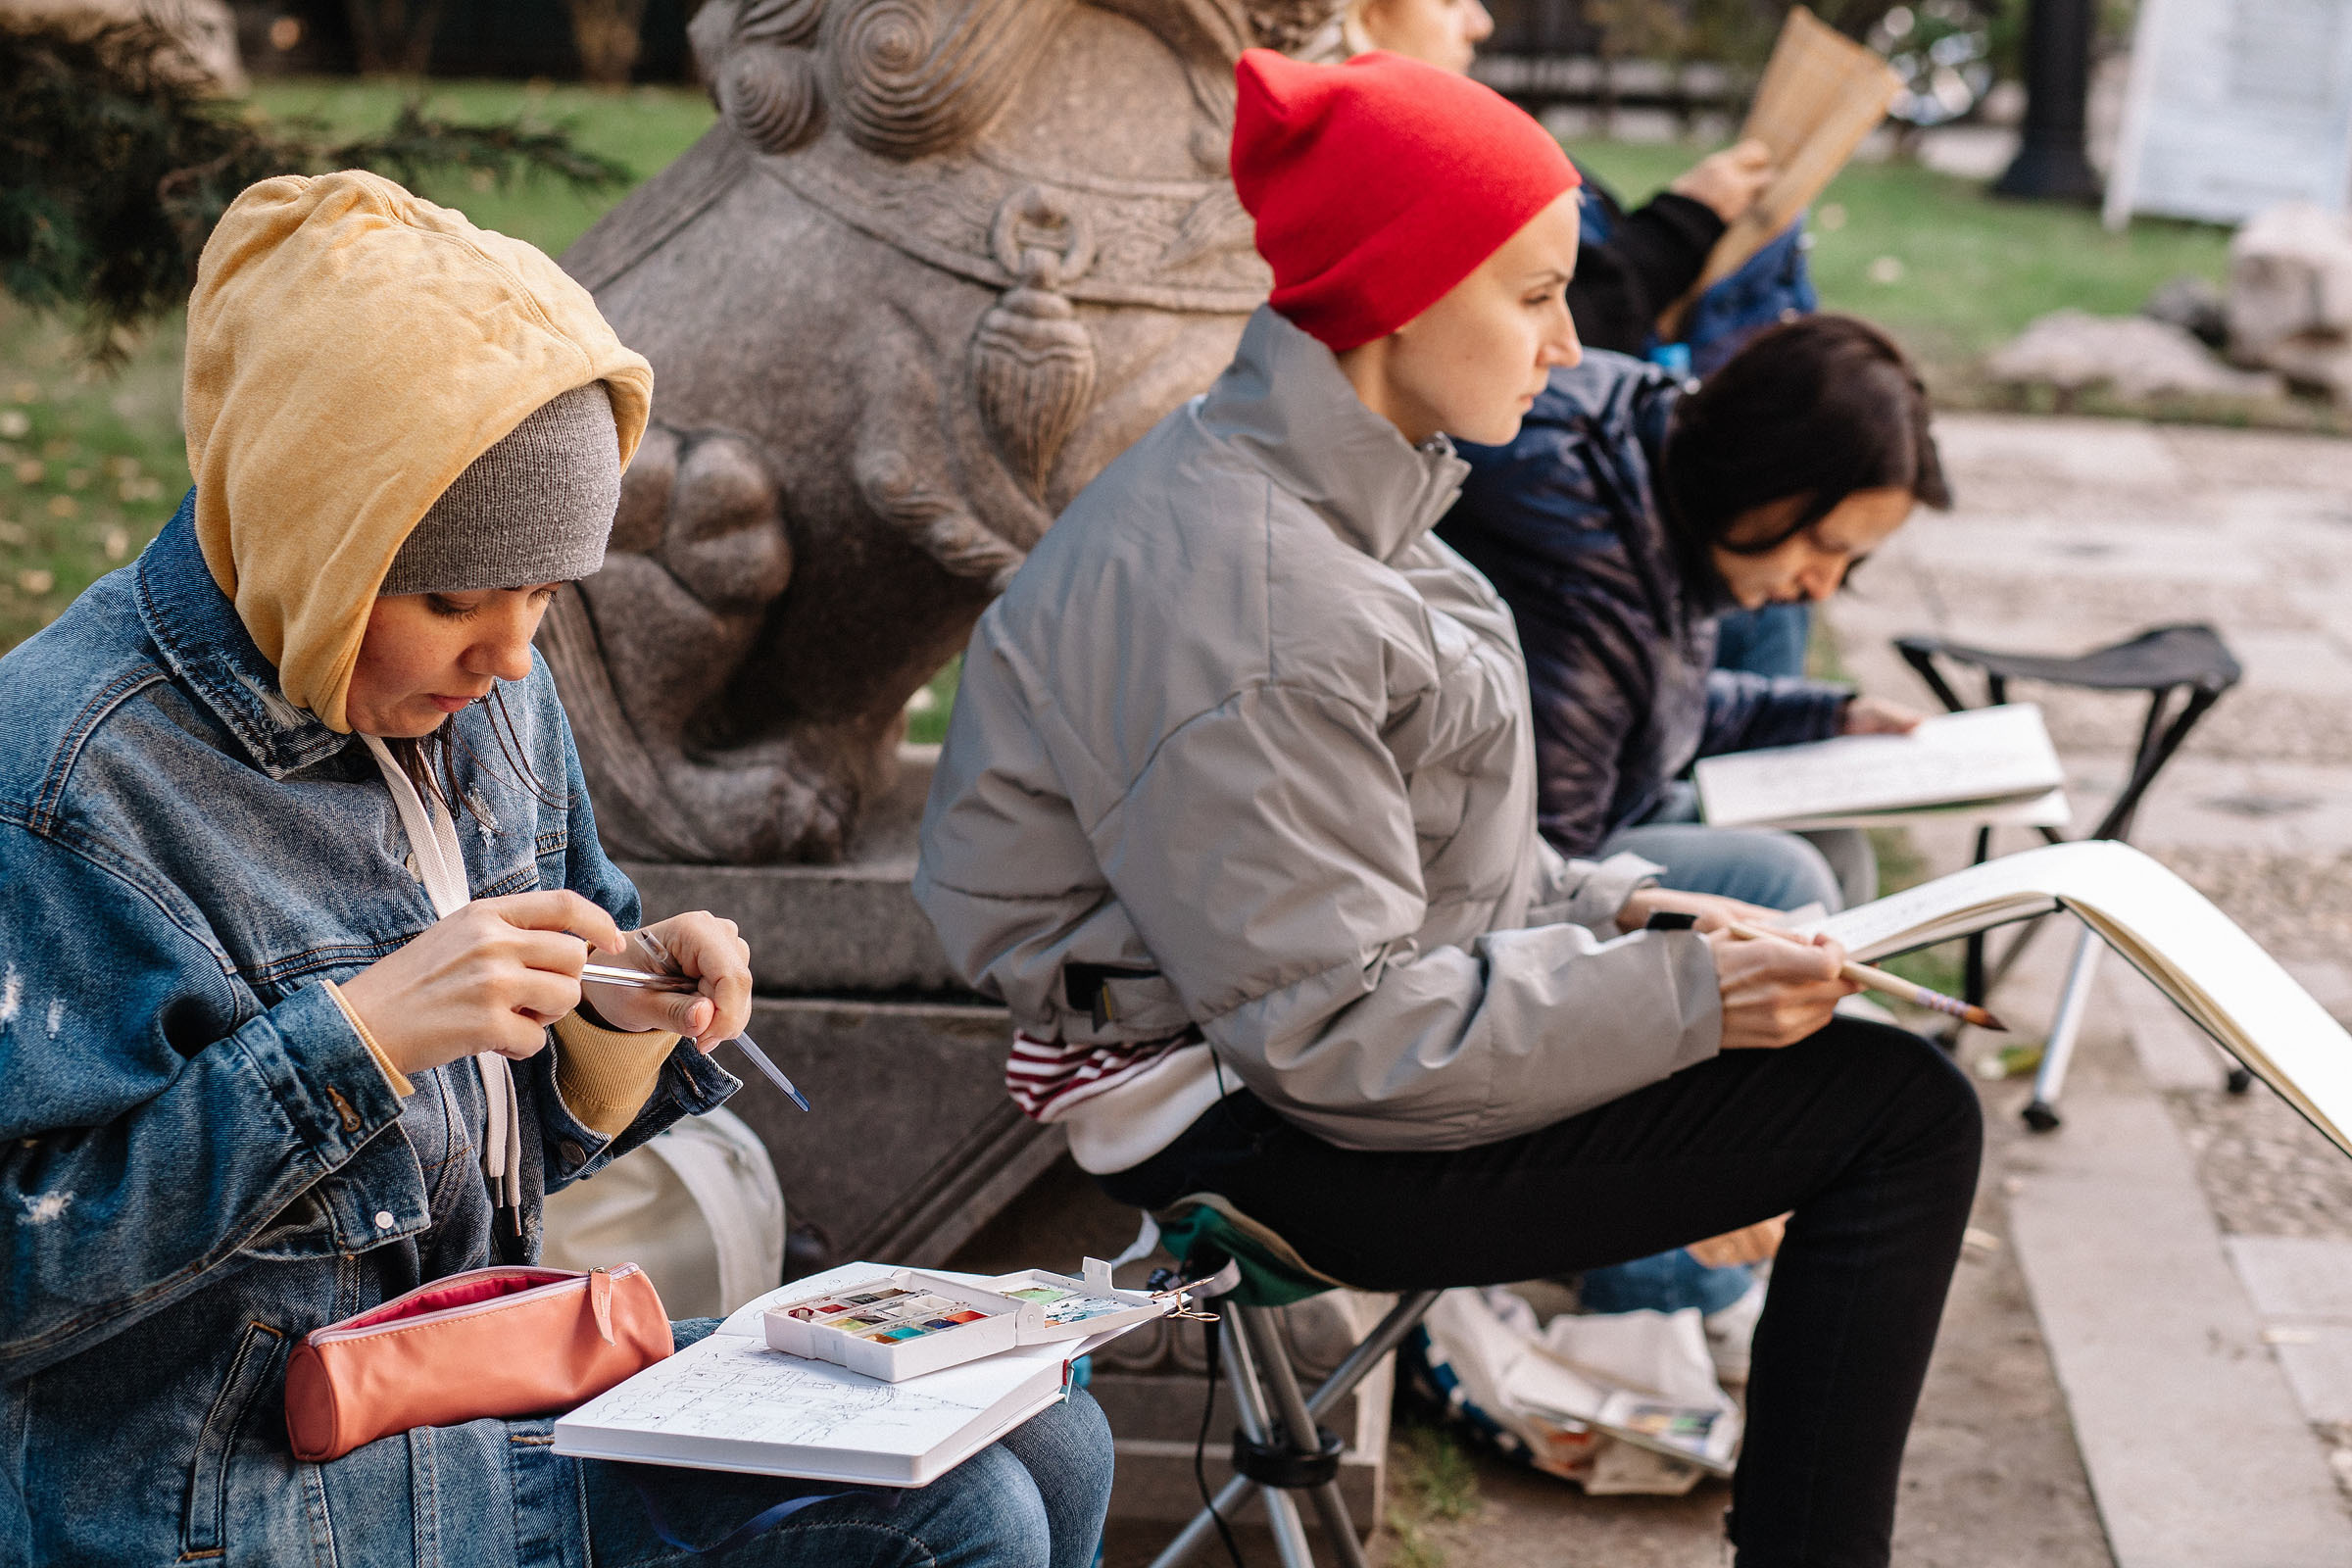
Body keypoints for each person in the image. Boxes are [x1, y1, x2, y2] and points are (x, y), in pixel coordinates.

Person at [917, 51, 1982, 1568]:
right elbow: (1339, 1039)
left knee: (1874, 1082)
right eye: (1535, 294)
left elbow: (1440, 876)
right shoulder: (1262, 596)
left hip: (1307, 1064)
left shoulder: (1358, 506)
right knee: (1901, 1114)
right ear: (1401, 295)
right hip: (1255, 1134)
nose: (1569, 342)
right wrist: (1690, 997)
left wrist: (1640, 911)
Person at [0, 171, 1111, 1568]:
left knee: (1047, 1430)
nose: (513, 655)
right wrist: (357, 1041)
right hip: (198, 1481)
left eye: (545, 591)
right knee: (954, 1514)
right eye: (455, 597)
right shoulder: (60, 783)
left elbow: (505, 1145)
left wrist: (611, 1016)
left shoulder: (484, 703)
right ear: (308, 530)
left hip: (454, 1386)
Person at [1438, 315, 1947, 918]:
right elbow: (1542, 864)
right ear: (1766, 474)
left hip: (1601, 806)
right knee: (1787, 881)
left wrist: (1829, 716)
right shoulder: (1589, 561)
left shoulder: (1656, 442)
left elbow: (1635, 709)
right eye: (1822, 544)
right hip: (1514, 869)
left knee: (1833, 845)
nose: (1823, 585)